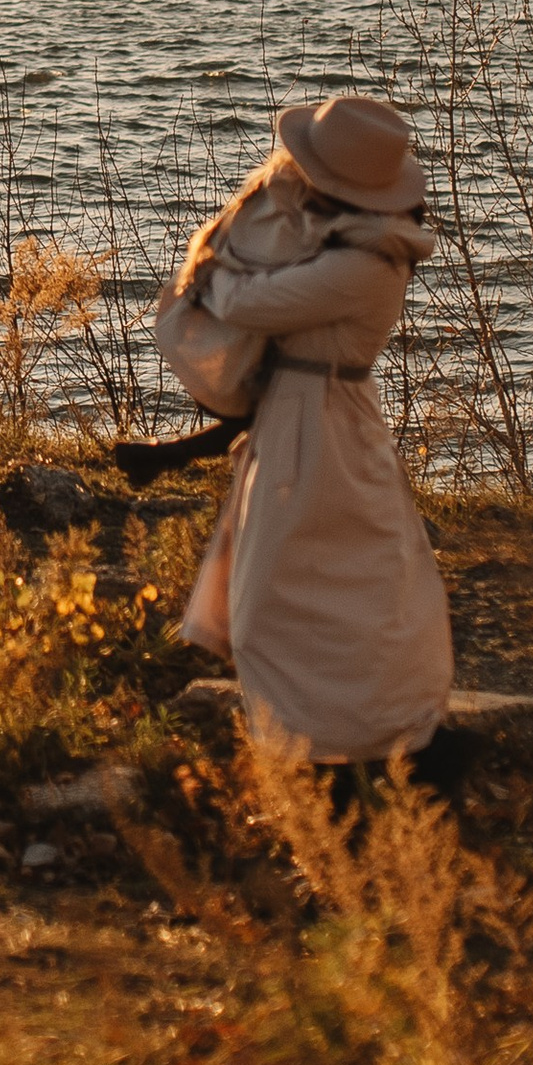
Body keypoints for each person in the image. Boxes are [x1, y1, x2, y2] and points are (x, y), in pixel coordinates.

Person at [162, 90, 451, 765]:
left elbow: (246, 302)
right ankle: (319, 736)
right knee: (302, 582)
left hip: (323, 429)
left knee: (285, 592)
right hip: (306, 418)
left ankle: (333, 737)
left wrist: (218, 255)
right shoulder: (344, 245)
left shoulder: (366, 267)